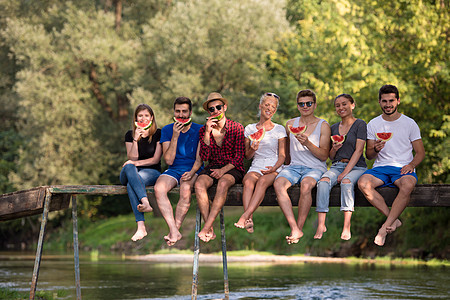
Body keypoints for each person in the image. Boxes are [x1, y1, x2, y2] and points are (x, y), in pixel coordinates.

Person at [358, 84, 425, 246]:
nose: (388, 104)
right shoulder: (373, 124)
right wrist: (375, 149)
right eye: (384, 101)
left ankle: (384, 228)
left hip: (402, 168)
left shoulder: (410, 123)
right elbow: (369, 155)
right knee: (362, 183)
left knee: (408, 185)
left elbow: (420, 152)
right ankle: (393, 220)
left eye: (391, 101)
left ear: (398, 101)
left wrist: (411, 164)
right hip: (380, 168)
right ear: (379, 102)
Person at [273, 89, 331, 244]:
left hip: (315, 168)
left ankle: (299, 228)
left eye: (308, 103)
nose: (305, 106)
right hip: (293, 167)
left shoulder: (323, 125)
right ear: (298, 106)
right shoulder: (290, 124)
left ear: (314, 105)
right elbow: (286, 152)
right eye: (301, 104)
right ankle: (294, 227)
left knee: (306, 185)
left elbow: (324, 156)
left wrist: (308, 143)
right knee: (278, 184)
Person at [314, 94, 367, 241]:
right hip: (337, 165)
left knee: (346, 183)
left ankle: (346, 226)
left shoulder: (360, 124)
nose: (341, 108)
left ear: (352, 105)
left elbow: (358, 151)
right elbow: (331, 156)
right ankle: (321, 224)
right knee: (323, 182)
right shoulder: (334, 128)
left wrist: (345, 172)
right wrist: (335, 148)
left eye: (344, 104)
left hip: (357, 166)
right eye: (338, 105)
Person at [194, 92, 245, 242]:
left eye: (218, 107)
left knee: (223, 183)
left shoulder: (237, 127)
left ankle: (206, 227)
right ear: (208, 112)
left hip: (233, 168)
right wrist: (208, 134)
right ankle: (210, 229)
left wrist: (223, 171)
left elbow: (239, 157)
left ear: (225, 107)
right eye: (212, 109)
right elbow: (204, 157)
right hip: (213, 166)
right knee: (199, 184)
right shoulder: (204, 131)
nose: (216, 111)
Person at [234, 92, 286, 233]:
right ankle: (250, 219)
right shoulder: (250, 129)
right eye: (267, 105)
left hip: (274, 165)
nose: (269, 108)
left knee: (263, 182)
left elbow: (282, 156)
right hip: (256, 165)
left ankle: (245, 216)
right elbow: (248, 156)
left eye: (273, 107)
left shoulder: (279, 129)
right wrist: (252, 148)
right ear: (260, 106)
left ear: (275, 110)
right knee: (248, 181)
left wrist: (274, 168)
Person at [154, 97, 203, 246]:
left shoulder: (200, 129)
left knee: (186, 188)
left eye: (184, 111)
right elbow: (168, 160)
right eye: (178, 111)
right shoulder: (168, 130)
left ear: (190, 112)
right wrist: (175, 135)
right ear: (174, 112)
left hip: (194, 168)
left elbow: (200, 158)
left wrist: (192, 172)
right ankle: (173, 230)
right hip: (173, 169)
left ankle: (175, 230)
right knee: (158, 188)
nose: (181, 115)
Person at [119, 103, 162, 241]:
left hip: (152, 172)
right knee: (129, 167)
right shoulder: (129, 135)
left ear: (152, 118)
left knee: (132, 183)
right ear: (135, 118)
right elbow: (132, 158)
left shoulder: (158, 134)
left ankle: (141, 227)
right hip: (131, 172)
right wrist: (135, 140)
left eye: (146, 116)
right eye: (140, 116)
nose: (143, 118)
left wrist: (134, 163)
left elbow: (155, 160)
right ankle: (145, 202)